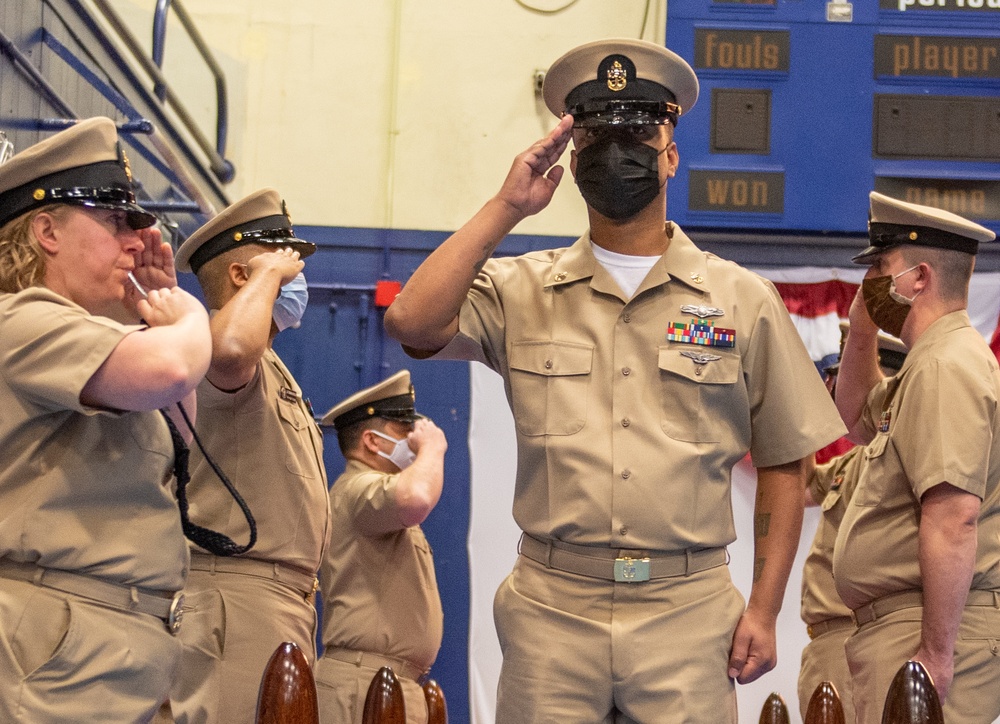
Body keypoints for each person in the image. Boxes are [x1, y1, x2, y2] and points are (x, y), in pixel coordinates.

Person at [384, 38, 845, 722]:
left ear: (671, 153)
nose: (617, 150)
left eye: (637, 130)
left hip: (687, 614)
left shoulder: (741, 299)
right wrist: (507, 207)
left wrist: (765, 606)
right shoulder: (520, 288)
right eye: (598, 134)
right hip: (551, 609)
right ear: (573, 160)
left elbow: (785, 459)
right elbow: (413, 322)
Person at [0, 117, 211, 721]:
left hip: (121, 640)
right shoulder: (20, 320)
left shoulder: (100, 341)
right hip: (63, 645)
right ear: (47, 230)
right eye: (115, 221)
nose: (133, 242)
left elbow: (182, 428)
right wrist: (189, 316)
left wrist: (148, 313)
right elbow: (172, 372)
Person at [162, 188, 331, 724]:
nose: (298, 274)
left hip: (275, 601)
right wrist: (265, 276)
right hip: (234, 601)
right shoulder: (222, 350)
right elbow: (231, 350)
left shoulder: (271, 365)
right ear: (241, 275)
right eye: (288, 264)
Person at [833, 191, 1000, 723]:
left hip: (923, 632)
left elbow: (954, 517)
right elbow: (853, 416)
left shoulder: (945, 366)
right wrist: (863, 326)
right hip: (900, 627)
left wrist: (935, 655)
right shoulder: (927, 363)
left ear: (919, 278)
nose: (871, 282)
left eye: (881, 268)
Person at [314, 370, 447, 724]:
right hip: (364, 686)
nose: (414, 440)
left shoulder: (374, 494)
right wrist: (433, 449)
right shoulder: (359, 489)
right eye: (404, 431)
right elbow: (418, 496)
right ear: (372, 441)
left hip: (387, 683)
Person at [797, 323, 907, 721]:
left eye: (843, 382)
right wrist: (804, 417)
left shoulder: (899, 457)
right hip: (828, 642)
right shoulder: (850, 463)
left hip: (867, 634)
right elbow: (802, 488)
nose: (836, 394)